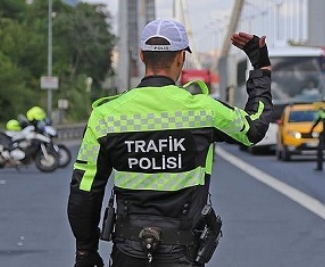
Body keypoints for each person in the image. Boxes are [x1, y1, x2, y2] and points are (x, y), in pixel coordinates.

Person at [67, 18, 273, 267]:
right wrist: (260, 67)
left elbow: (84, 191)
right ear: (181, 58)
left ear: (142, 56)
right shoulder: (203, 111)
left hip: (127, 251)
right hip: (182, 252)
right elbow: (254, 128)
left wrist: (85, 252)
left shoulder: (106, 116)